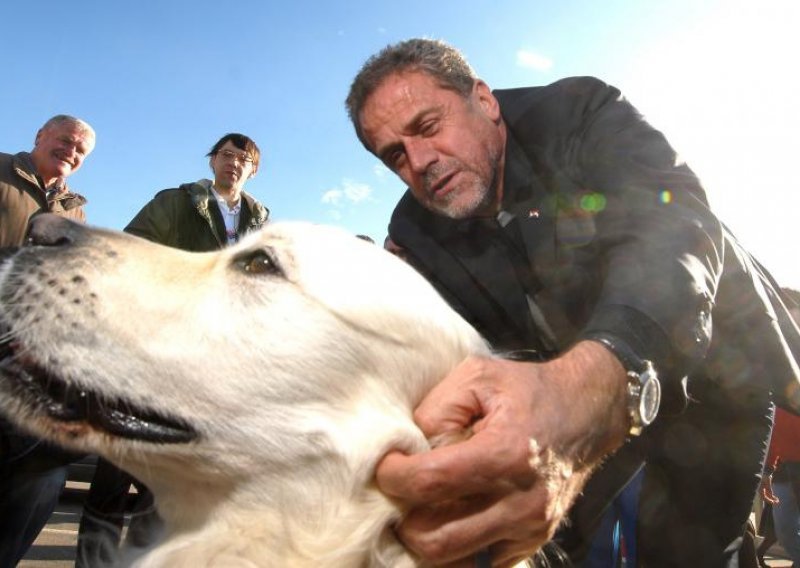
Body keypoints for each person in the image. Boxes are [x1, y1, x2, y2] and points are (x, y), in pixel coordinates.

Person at [346, 38, 800, 567]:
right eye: (395, 155)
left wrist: (606, 365)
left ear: (485, 101)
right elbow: (455, 353)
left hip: (712, 370)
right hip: (573, 405)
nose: (420, 162)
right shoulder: (413, 230)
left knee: (692, 548)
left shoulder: (580, 111)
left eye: (427, 126)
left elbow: (673, 227)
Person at [76, 132, 269, 566]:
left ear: (253, 169)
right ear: (212, 161)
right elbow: (129, 252)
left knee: (162, 489)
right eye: (225, 155)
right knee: (114, 476)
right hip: (147, 355)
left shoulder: (260, 224)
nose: (233, 163)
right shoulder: (176, 203)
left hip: (203, 370)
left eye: (243, 158)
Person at [0, 114, 96, 566]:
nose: (71, 152)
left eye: (81, 150)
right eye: (66, 141)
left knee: (44, 471)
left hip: (24, 353)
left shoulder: (74, 211)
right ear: (40, 135)